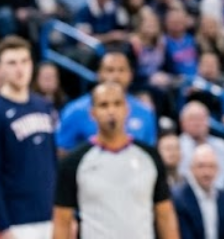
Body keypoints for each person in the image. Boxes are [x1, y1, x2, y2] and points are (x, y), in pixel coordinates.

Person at [53, 82, 179, 239]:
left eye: (117, 104)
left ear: (127, 109)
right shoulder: (73, 162)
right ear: (93, 113)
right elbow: (62, 221)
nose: (111, 111)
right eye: (104, 105)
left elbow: (164, 214)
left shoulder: (150, 157)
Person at [0, 36, 58, 239]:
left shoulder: (43, 106)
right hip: (17, 221)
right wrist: (2, 225)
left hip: (50, 215)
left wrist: (64, 211)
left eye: (25, 61)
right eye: (12, 63)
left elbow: (53, 162)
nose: (20, 69)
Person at [55, 50, 157, 153]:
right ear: (99, 74)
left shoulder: (145, 112)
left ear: (130, 75)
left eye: (121, 70)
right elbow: (62, 151)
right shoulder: (75, 110)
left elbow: (149, 152)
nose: (116, 76)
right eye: (110, 70)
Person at [173, 145, 224, 239]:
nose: (207, 172)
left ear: (218, 170)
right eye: (201, 166)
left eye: (211, 166)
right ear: (191, 169)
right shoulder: (179, 199)